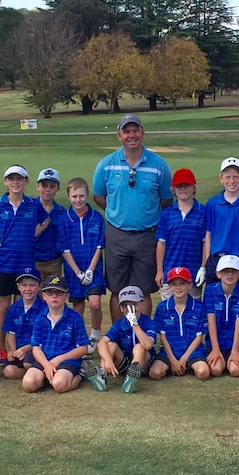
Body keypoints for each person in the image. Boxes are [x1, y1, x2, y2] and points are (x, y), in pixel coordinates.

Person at [93, 113, 173, 320]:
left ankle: (142, 340)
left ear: (143, 133)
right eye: (126, 131)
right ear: (119, 135)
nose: (132, 135)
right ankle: (119, 340)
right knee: (117, 290)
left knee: (143, 290)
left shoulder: (159, 165)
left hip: (147, 235)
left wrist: (144, 215)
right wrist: (120, 213)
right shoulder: (106, 164)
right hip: (116, 234)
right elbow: (99, 196)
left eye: (135, 130)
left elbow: (165, 200)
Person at [0, 164, 48, 367]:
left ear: (26, 182)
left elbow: (45, 221)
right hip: (4, 263)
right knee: (3, 307)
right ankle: (2, 349)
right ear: (5, 181)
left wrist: (32, 235)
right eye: (11, 179)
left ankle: (23, 348)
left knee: (23, 307)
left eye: (20, 179)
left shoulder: (33, 205)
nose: (15, 183)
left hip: (25, 263)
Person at [58, 177, 106, 352]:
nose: (78, 200)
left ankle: (95, 335)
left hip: (93, 269)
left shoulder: (96, 217)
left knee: (94, 303)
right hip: (73, 271)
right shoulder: (64, 219)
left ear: (87, 196)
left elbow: (99, 246)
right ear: (68, 196)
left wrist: (90, 271)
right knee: (77, 306)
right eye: (74, 196)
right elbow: (64, 249)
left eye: (81, 196)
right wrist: (78, 272)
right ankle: (78, 338)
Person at [22, 275, 90, 394]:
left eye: (59, 292)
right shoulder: (40, 318)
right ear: (43, 296)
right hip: (46, 359)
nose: (54, 296)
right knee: (28, 384)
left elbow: (83, 348)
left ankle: (80, 374)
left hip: (67, 360)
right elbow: (36, 348)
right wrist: (46, 365)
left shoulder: (75, 318)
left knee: (59, 385)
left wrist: (58, 359)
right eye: (49, 292)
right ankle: (46, 378)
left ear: (67, 296)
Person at [202, 157, 239, 290]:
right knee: (214, 302)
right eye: (227, 177)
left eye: (235, 177)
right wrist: (207, 262)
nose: (231, 181)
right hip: (217, 259)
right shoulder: (213, 204)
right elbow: (208, 234)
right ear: (221, 178)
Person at [148, 267, 210, 381]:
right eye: (174, 284)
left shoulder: (199, 307)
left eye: (182, 283)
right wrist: (173, 361)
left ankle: (186, 365)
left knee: (203, 372)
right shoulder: (162, 307)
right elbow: (162, 337)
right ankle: (174, 367)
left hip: (192, 351)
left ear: (190, 285)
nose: (178, 287)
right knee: (154, 373)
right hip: (169, 351)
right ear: (170, 286)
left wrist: (183, 360)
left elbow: (198, 337)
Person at [96, 285, 158, 393]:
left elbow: (148, 345)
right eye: (126, 306)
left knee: (139, 347)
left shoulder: (148, 322)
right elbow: (102, 342)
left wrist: (134, 324)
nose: (130, 310)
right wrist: (108, 360)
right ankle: (102, 375)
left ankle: (131, 377)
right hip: (124, 362)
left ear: (142, 304)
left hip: (143, 365)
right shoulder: (120, 324)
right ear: (121, 308)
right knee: (111, 345)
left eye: (134, 305)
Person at [155, 168, 205, 300]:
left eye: (186, 185)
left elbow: (206, 242)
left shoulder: (203, 212)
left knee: (192, 312)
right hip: (170, 272)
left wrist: (203, 267)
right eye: (179, 186)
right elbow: (161, 243)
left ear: (193, 188)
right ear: (174, 189)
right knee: (169, 312)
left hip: (193, 273)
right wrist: (160, 271)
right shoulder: (167, 213)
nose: (183, 189)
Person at [203, 256, 239, 377]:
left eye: (234, 271)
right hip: (217, 342)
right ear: (218, 274)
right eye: (225, 271)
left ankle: (234, 358)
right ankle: (221, 358)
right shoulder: (210, 290)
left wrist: (235, 351)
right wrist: (215, 349)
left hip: (238, 343)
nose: (230, 274)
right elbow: (211, 320)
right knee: (216, 370)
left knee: (235, 371)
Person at [2, 267, 47, 381]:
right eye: (24, 285)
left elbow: (44, 337)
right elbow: (11, 334)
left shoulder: (45, 309)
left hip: (37, 350)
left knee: (28, 362)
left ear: (40, 287)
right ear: (18, 287)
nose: (28, 289)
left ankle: (36, 373)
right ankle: (32, 374)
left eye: (32, 285)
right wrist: (13, 351)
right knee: (8, 371)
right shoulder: (13, 309)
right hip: (20, 352)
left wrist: (27, 348)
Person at [34, 168, 66, 281]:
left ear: (58, 189)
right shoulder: (28, 208)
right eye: (44, 185)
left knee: (52, 295)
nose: (48, 190)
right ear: (37, 186)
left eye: (52, 186)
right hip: (32, 260)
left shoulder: (62, 213)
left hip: (54, 262)